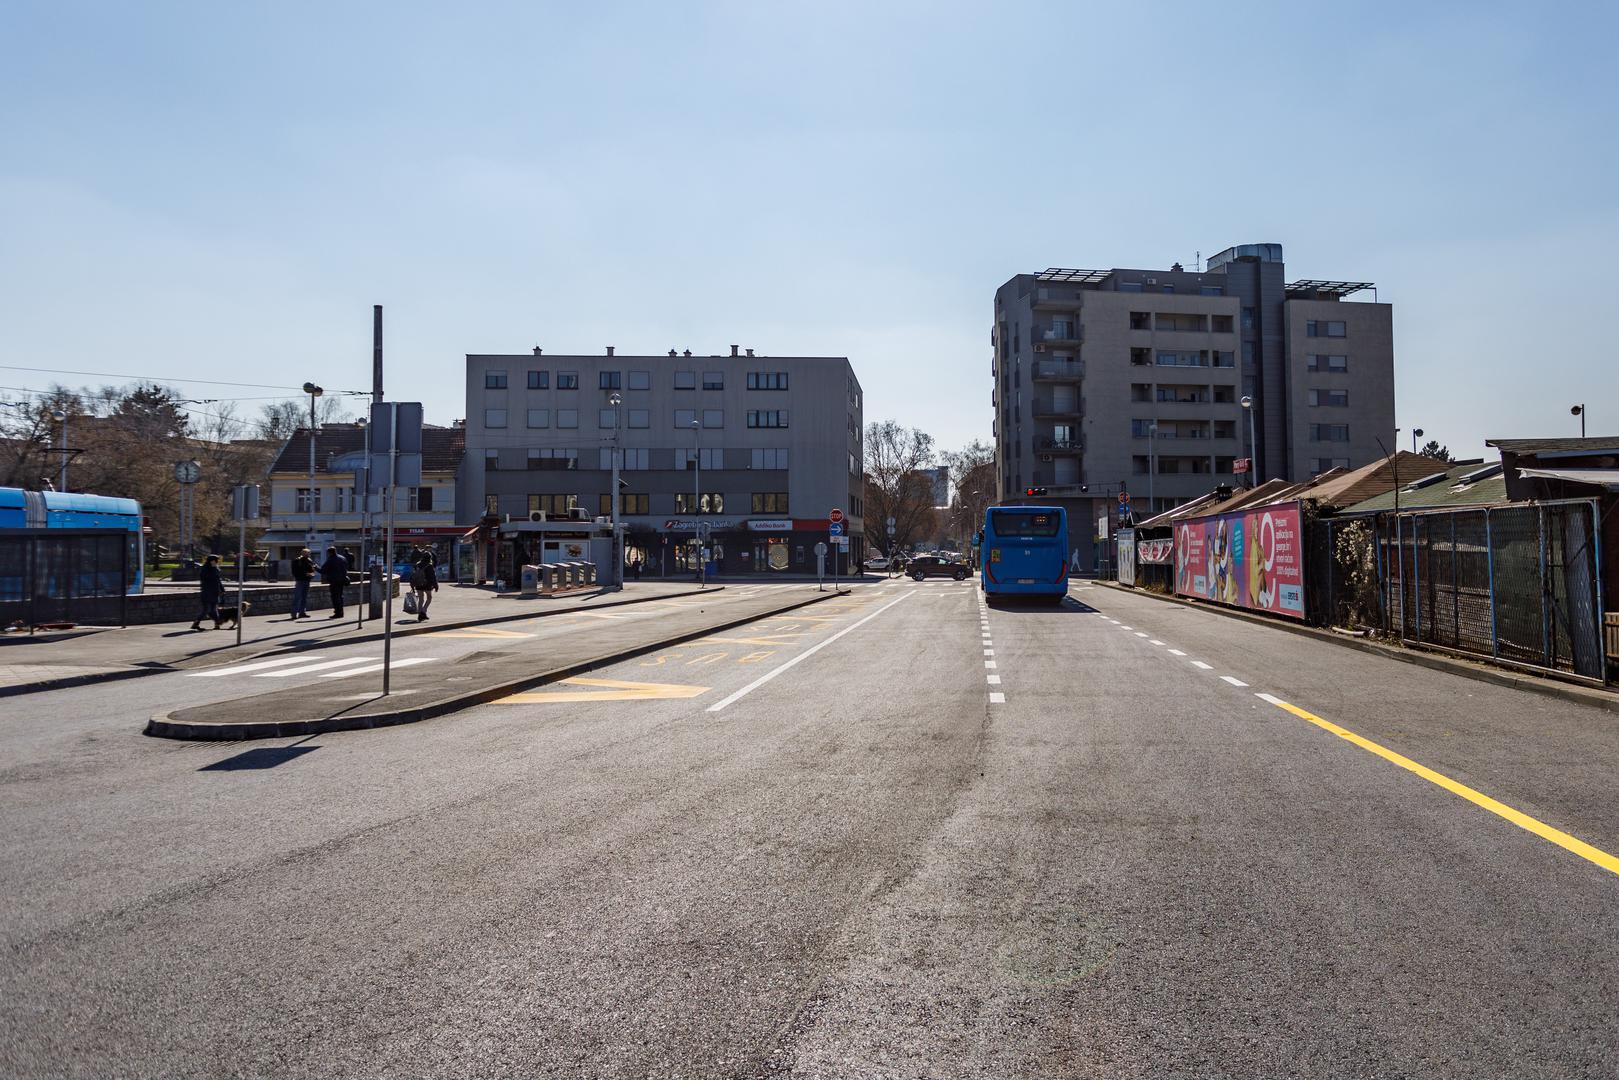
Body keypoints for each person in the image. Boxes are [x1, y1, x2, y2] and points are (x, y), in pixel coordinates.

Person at [190, 554, 223, 631]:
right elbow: (206, 579)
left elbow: (218, 581)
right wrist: (213, 571)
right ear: (211, 561)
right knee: (206, 609)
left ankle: (217, 624)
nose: (217, 562)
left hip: (214, 592)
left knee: (214, 609)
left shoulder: (215, 569)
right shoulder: (205, 569)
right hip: (207, 592)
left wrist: (222, 589)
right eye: (216, 561)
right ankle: (196, 623)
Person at [320, 546, 349, 619]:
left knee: (335, 597)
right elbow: (346, 567)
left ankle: (337, 612)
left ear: (329, 553)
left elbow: (323, 570)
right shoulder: (342, 558)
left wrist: (316, 567)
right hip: (342, 580)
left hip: (334, 581)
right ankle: (341, 612)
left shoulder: (331, 559)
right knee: (340, 596)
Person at [410, 548, 438, 621]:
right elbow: (433, 577)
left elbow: (413, 575)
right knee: (429, 597)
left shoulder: (417, 565)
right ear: (430, 558)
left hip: (418, 584)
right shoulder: (429, 566)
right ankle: (423, 611)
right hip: (427, 584)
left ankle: (420, 614)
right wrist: (436, 585)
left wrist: (412, 586)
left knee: (421, 599)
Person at [290, 547, 314, 619]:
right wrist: (305, 574)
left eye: (308, 553)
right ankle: (294, 613)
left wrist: (312, 574)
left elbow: (312, 569)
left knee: (304, 598)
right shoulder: (297, 560)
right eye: (306, 553)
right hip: (300, 580)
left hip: (307, 580)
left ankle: (302, 612)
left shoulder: (309, 560)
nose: (308, 555)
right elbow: (295, 571)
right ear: (302, 553)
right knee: (297, 597)